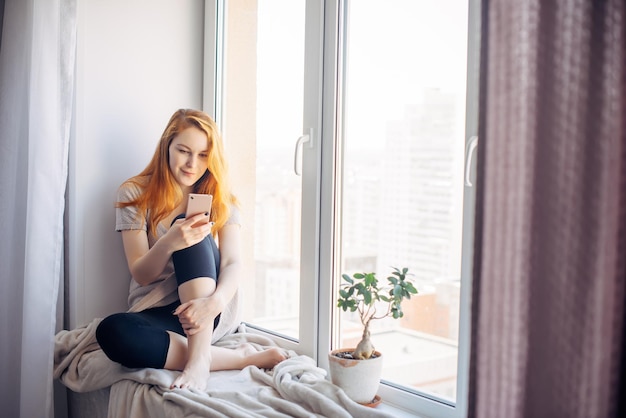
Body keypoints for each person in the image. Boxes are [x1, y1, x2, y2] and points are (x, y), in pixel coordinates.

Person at [95, 109, 286, 391]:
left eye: (203, 155)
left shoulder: (220, 197)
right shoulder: (134, 193)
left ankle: (198, 363)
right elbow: (141, 273)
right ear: (166, 147)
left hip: (208, 306)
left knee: (191, 224)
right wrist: (170, 241)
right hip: (159, 310)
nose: (191, 164)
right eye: (183, 151)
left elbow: (233, 262)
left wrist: (216, 302)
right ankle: (241, 358)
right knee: (111, 332)